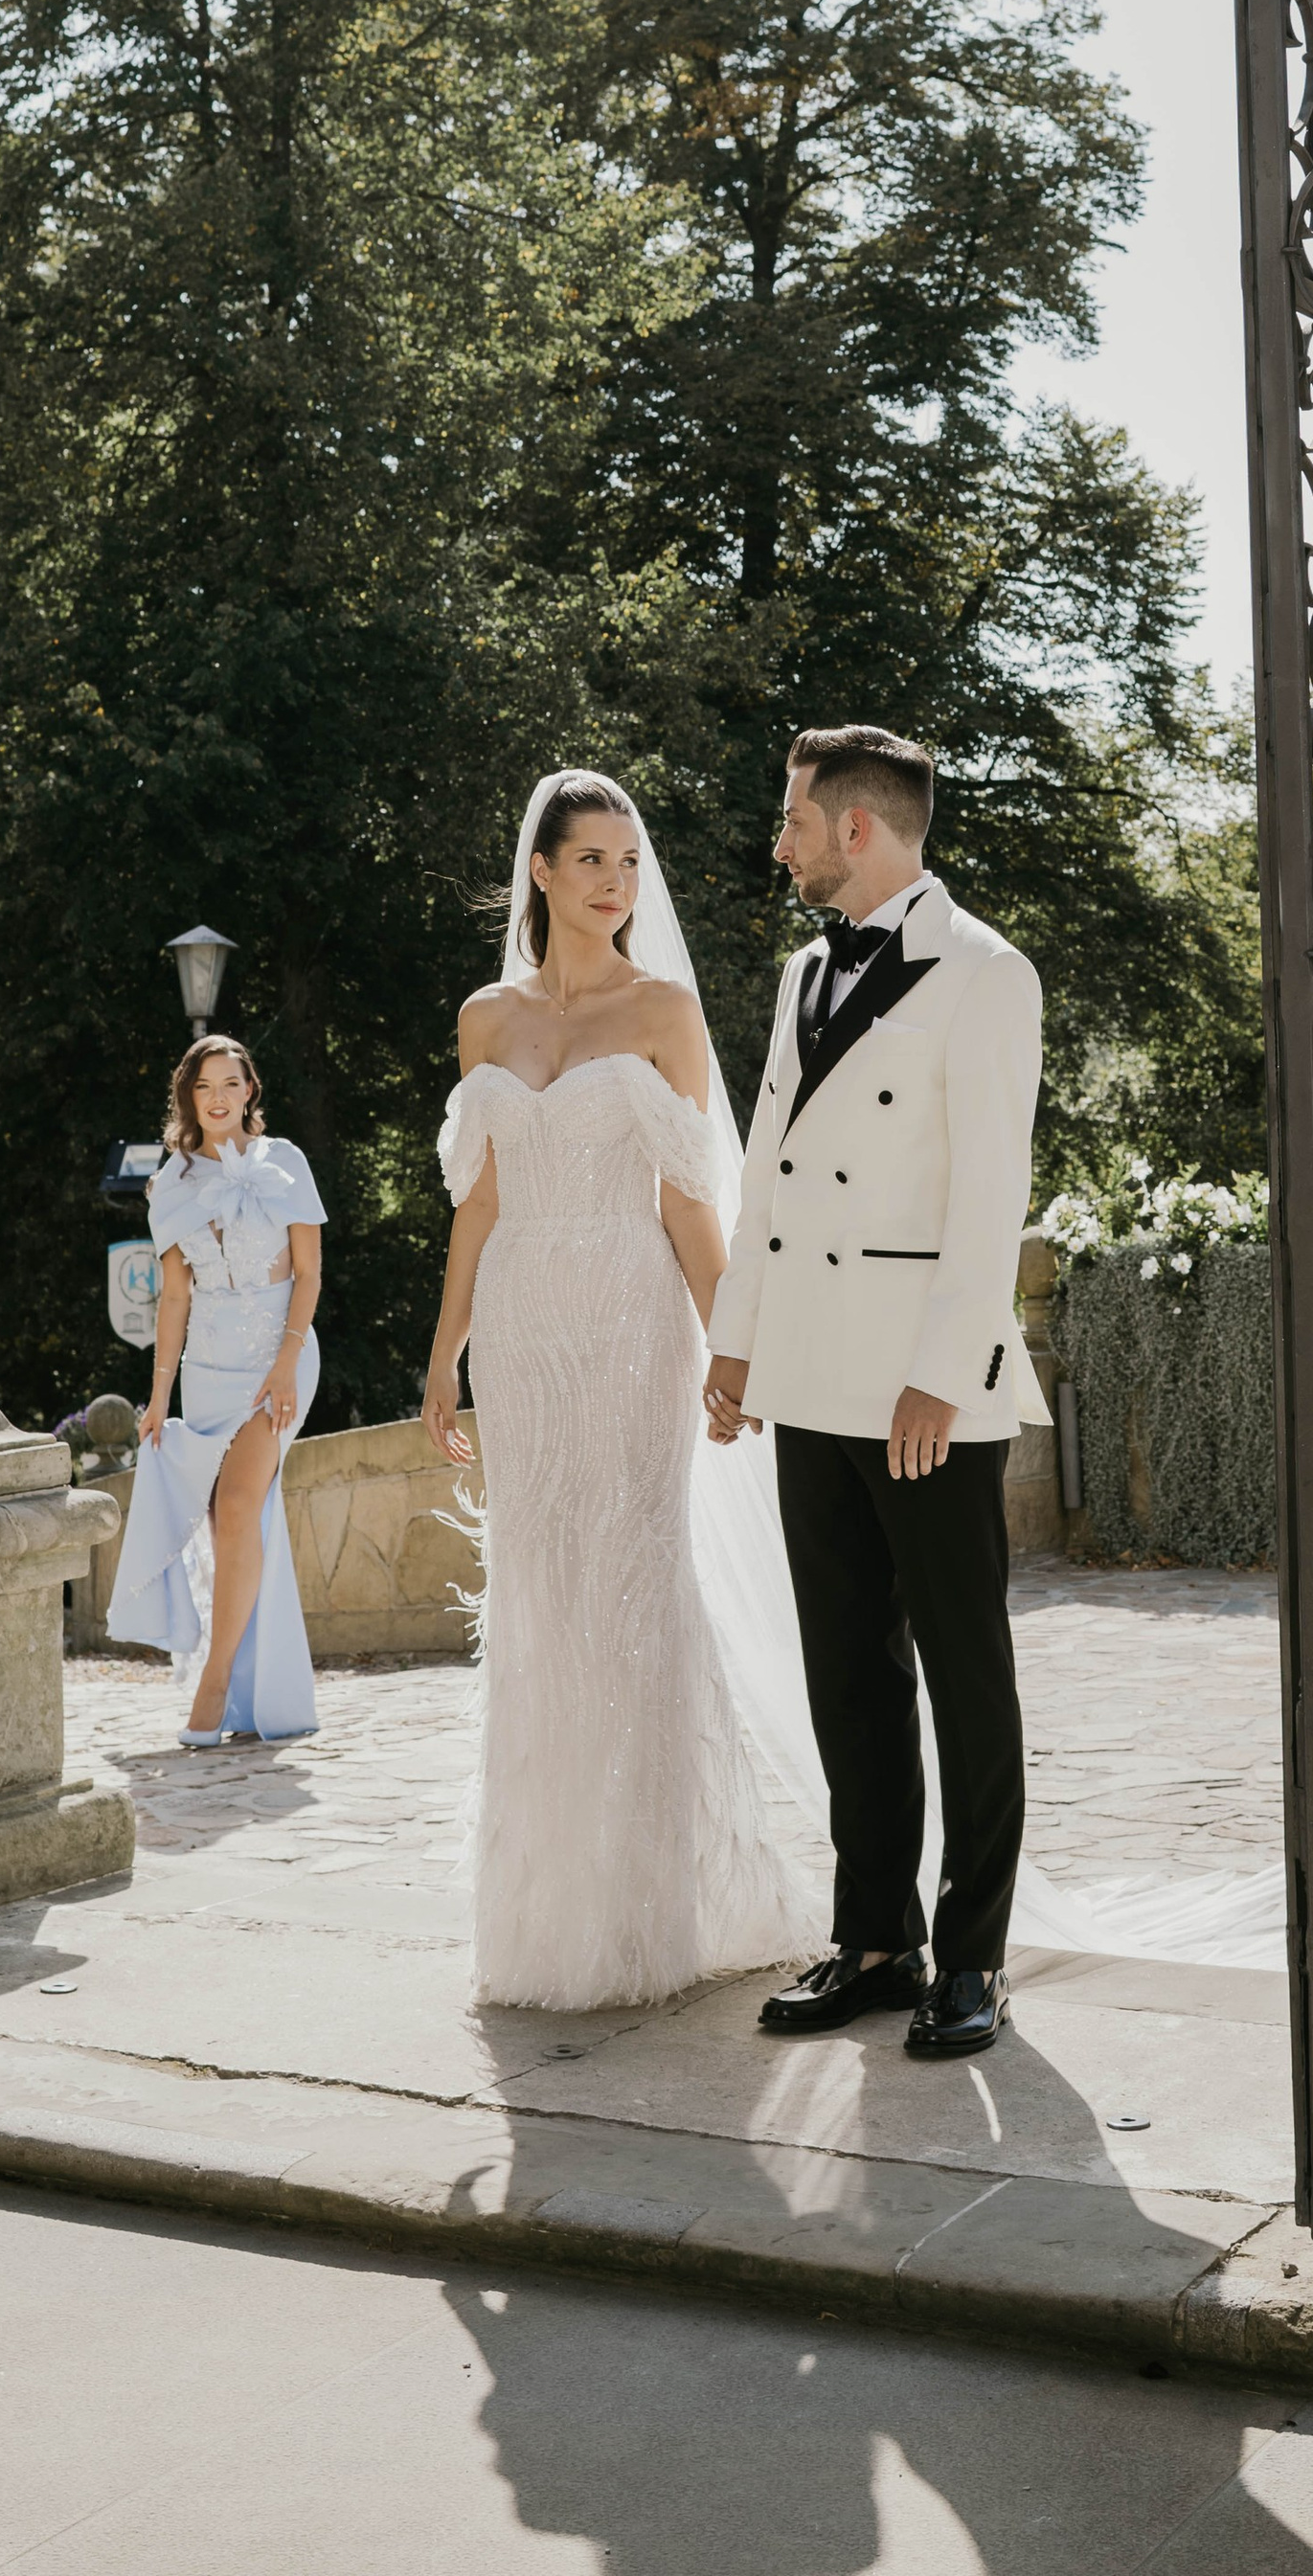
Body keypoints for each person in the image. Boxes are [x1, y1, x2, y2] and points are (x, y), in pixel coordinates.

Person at [421, 771, 811, 2008]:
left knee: (637, 1589)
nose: (616, 883)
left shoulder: (666, 1013)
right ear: (541, 872)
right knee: (540, 1598)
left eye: (630, 863)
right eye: (592, 860)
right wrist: (445, 1352)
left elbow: (692, 1205)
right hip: (525, 1337)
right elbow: (477, 1201)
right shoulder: (487, 1019)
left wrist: (733, 1349)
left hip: (637, 1329)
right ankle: (547, 1927)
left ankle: (650, 1920)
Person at [704, 726, 1048, 2062]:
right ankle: (873, 1939)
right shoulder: (802, 970)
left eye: (792, 819)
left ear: (857, 827)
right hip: (808, 1372)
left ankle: (972, 1956)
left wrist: (942, 1377)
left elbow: (991, 1196)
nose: (778, 841)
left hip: (921, 1388)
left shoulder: (987, 974)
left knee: (965, 1673)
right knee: (846, 1670)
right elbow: (768, 1177)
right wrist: (740, 1343)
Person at [109, 1032, 325, 1747]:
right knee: (230, 1525)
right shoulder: (169, 1185)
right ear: (189, 1096)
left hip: (278, 1357)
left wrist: (288, 1361)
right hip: (205, 1369)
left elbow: (310, 1273)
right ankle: (261, 1692)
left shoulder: (285, 1161)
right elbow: (174, 1297)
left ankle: (215, 1682)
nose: (220, 1098)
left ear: (250, 1090)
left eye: (232, 1083)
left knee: (237, 1508)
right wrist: (159, 1395)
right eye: (206, 1086)